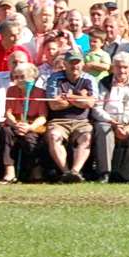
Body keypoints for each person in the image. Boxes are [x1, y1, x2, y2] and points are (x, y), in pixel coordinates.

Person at [94, 52, 129, 182]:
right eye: (118, 67)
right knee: (104, 131)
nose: (122, 70)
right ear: (113, 68)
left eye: (125, 67)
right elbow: (97, 108)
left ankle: (125, 174)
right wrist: (114, 123)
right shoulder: (104, 83)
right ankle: (105, 173)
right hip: (108, 121)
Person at [44, 50, 99, 182]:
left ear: (82, 64)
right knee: (53, 136)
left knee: (86, 137)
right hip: (58, 121)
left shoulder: (89, 79)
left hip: (82, 121)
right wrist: (80, 98)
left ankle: (75, 171)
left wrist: (67, 96)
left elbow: (90, 103)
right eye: (71, 63)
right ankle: (66, 172)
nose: (74, 66)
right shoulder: (55, 78)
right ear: (65, 64)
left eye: (77, 62)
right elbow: (54, 105)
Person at [0, 63, 48, 183]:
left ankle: (36, 173)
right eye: (17, 77)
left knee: (30, 139)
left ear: (32, 78)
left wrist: (30, 127)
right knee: (6, 132)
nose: (19, 80)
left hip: (32, 125)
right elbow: (8, 112)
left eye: (23, 77)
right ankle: (10, 173)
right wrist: (16, 124)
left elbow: (43, 116)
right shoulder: (11, 91)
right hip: (15, 123)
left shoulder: (40, 93)